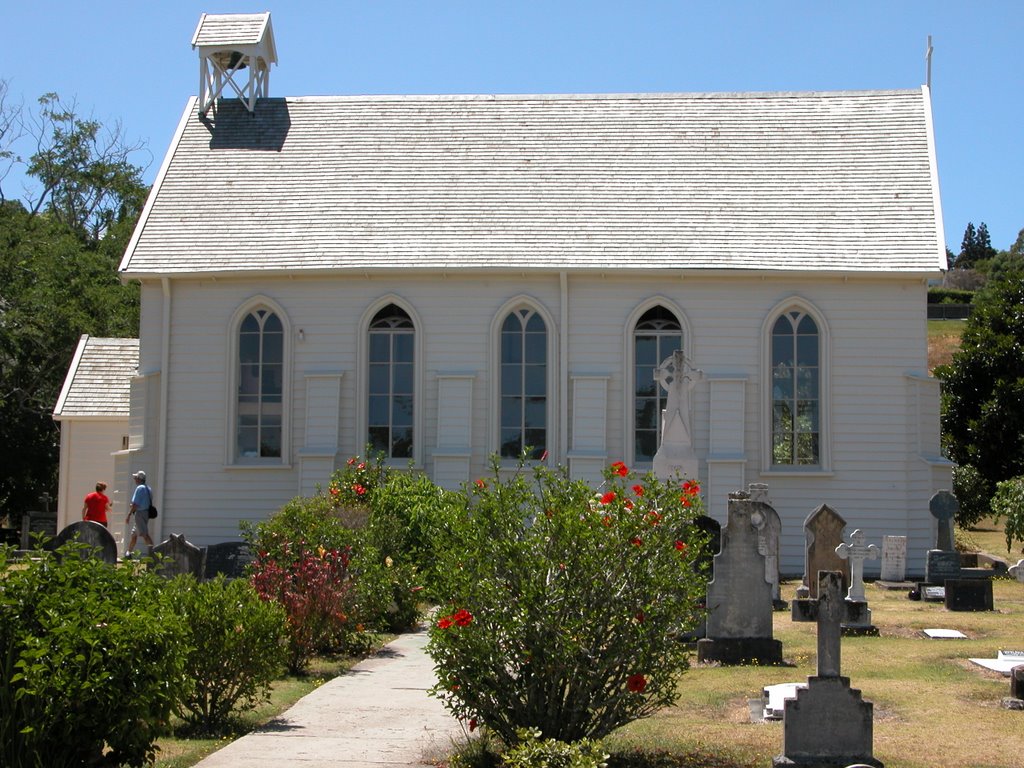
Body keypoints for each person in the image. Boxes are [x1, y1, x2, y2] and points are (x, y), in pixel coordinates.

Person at [126, 470, 155, 554]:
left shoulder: (139, 488)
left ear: (139, 479)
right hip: (145, 513)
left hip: (140, 514)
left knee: (145, 534)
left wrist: (129, 515)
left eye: (136, 478)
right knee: (134, 535)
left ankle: (154, 554)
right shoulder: (148, 488)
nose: (135, 479)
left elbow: (135, 504)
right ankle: (128, 553)